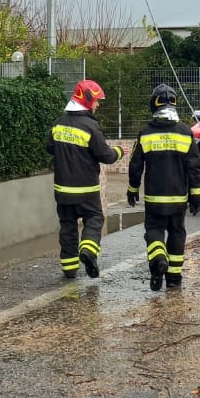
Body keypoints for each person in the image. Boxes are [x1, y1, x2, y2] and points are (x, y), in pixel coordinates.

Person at [127, 83, 200, 291]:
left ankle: (158, 258)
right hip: (178, 199)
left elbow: (135, 166)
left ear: (154, 105)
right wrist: (197, 196)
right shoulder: (186, 132)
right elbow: (194, 168)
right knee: (177, 233)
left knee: (153, 230)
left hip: (154, 199)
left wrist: (132, 189)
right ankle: (174, 278)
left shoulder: (145, 133)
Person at [46, 79, 120, 278]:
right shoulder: (90, 126)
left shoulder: (58, 123)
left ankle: (69, 269)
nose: (97, 105)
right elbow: (105, 155)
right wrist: (119, 152)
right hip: (86, 189)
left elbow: (49, 147)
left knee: (67, 226)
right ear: (87, 100)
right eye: (96, 101)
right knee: (94, 219)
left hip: (62, 190)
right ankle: (87, 250)